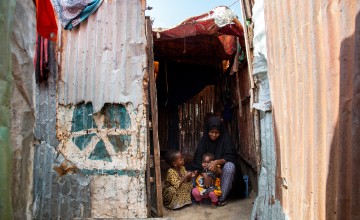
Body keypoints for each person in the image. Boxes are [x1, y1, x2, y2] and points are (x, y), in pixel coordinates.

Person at [187, 116, 245, 206]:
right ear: (207, 131)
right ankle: (200, 196)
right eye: (211, 132)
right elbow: (197, 159)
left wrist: (217, 162)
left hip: (220, 177)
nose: (214, 135)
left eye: (216, 133)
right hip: (203, 177)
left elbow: (231, 157)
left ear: (221, 132)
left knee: (230, 166)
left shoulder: (226, 140)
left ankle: (221, 198)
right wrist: (205, 174)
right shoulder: (204, 141)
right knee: (190, 169)